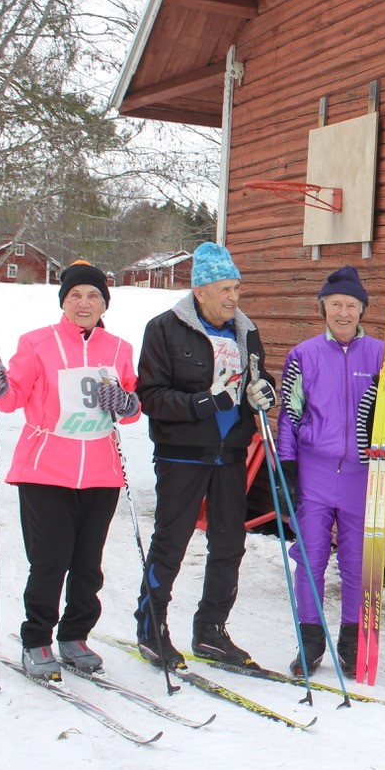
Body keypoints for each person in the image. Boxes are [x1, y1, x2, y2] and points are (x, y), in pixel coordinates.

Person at [0, 261, 140, 678]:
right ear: (63, 302)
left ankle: (75, 635)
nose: (84, 303)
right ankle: (36, 640)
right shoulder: (37, 343)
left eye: (93, 296)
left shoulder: (119, 348)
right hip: (44, 470)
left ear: (105, 303)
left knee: (88, 563)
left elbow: (132, 402)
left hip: (101, 473)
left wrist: (125, 404)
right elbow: (12, 397)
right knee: (50, 561)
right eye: (75, 296)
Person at [132, 242, 277, 669]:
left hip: (231, 451)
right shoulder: (164, 328)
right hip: (183, 454)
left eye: (236, 287)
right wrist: (205, 403)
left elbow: (258, 378)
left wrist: (261, 392)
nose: (233, 297)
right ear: (199, 291)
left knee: (229, 545)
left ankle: (211, 630)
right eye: (224, 289)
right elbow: (151, 396)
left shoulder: (245, 331)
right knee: (171, 542)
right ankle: (151, 625)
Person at [276, 266, 385, 677]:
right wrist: (286, 466)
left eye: (351, 305)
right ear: (324, 308)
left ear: (362, 310)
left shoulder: (381, 355)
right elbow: (288, 416)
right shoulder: (303, 354)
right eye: (336, 304)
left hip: (361, 475)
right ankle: (310, 641)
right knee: (310, 558)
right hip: (315, 473)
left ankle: (352, 642)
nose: (344, 312)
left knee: (356, 562)